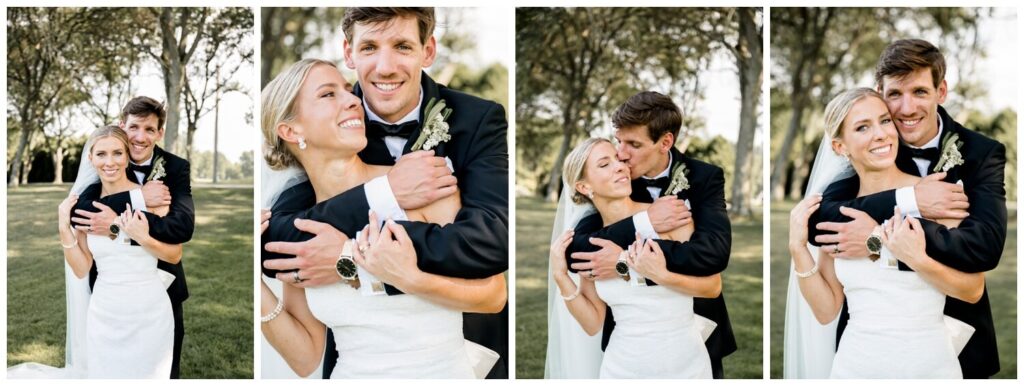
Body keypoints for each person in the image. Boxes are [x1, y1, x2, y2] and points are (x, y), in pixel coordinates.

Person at [261, 7, 510, 379]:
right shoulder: (302, 220)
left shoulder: (434, 175)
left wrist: (352, 258)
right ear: (349, 53)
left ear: (428, 51)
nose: (385, 67)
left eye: (402, 46)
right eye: (370, 47)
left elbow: (492, 253)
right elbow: (304, 355)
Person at [789, 39, 1007, 379]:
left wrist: (880, 240)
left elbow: (982, 254)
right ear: (840, 146)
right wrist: (797, 248)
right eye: (894, 96)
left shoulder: (961, 176)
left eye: (919, 92)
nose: (904, 112)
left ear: (941, 91)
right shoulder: (847, 204)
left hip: (938, 350)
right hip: (857, 361)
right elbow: (826, 301)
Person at [548, 91, 734, 378]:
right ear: (585, 187)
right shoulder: (616, 191)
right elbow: (582, 253)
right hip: (624, 360)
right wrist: (645, 221)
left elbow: (713, 255)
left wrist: (625, 262)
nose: (621, 157)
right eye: (618, 143)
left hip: (693, 340)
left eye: (633, 145)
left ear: (665, 142)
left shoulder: (697, 186)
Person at [10, 126, 177, 378]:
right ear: (91, 158)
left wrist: (141, 236)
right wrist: (63, 227)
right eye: (101, 154)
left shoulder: (153, 198)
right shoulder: (85, 207)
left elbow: (174, 255)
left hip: (150, 311)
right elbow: (82, 267)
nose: (109, 162)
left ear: (127, 156)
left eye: (117, 153)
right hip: (104, 313)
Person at [70, 96, 194, 378]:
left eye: (149, 129)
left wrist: (118, 223)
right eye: (134, 128)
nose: (140, 137)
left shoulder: (175, 167)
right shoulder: (107, 157)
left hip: (162, 285)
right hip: (110, 294)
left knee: (164, 370)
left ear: (159, 133)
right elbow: (80, 210)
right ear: (121, 126)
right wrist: (137, 197)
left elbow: (182, 228)